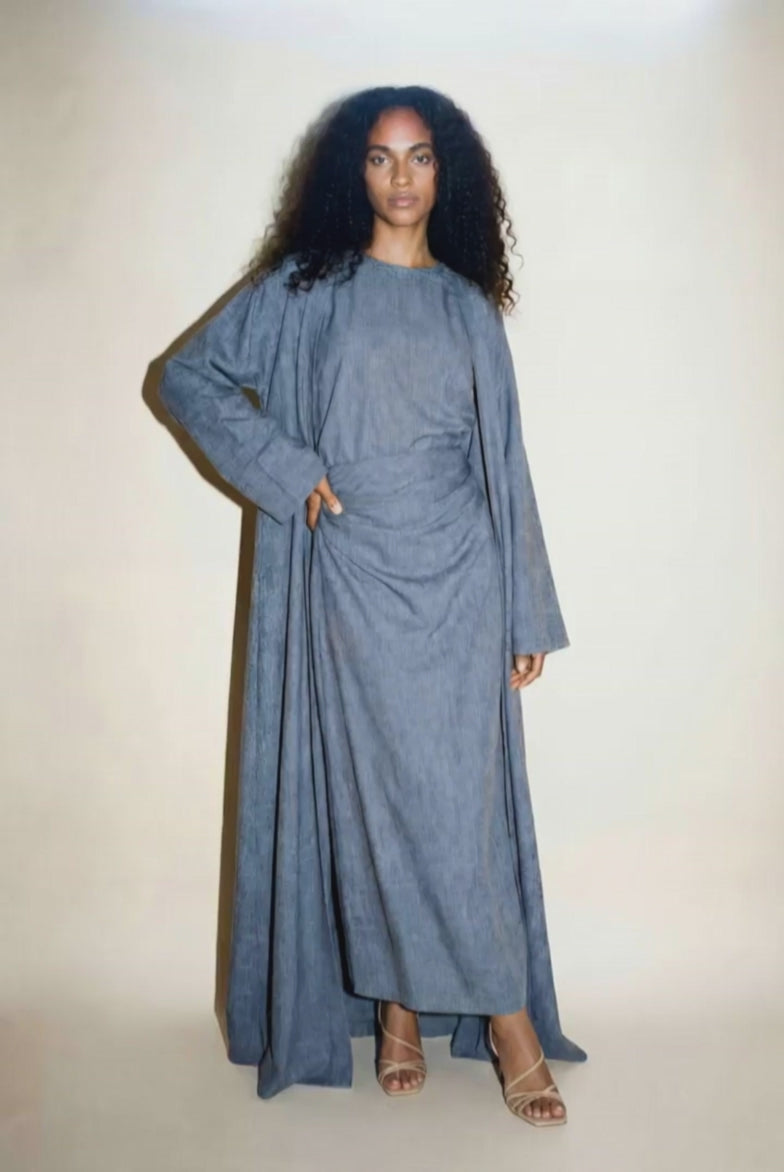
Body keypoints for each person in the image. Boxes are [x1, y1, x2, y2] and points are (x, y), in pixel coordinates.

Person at [158, 84, 586, 1124]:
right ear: (352, 171)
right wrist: (288, 465)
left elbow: (506, 464)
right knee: (378, 806)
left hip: (462, 582)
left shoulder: (466, 309)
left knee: (459, 811)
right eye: (382, 157)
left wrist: (525, 607)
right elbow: (186, 378)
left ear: (448, 174)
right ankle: (404, 1008)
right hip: (349, 583)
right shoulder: (305, 290)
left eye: (420, 156)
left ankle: (503, 1016)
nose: (401, 177)